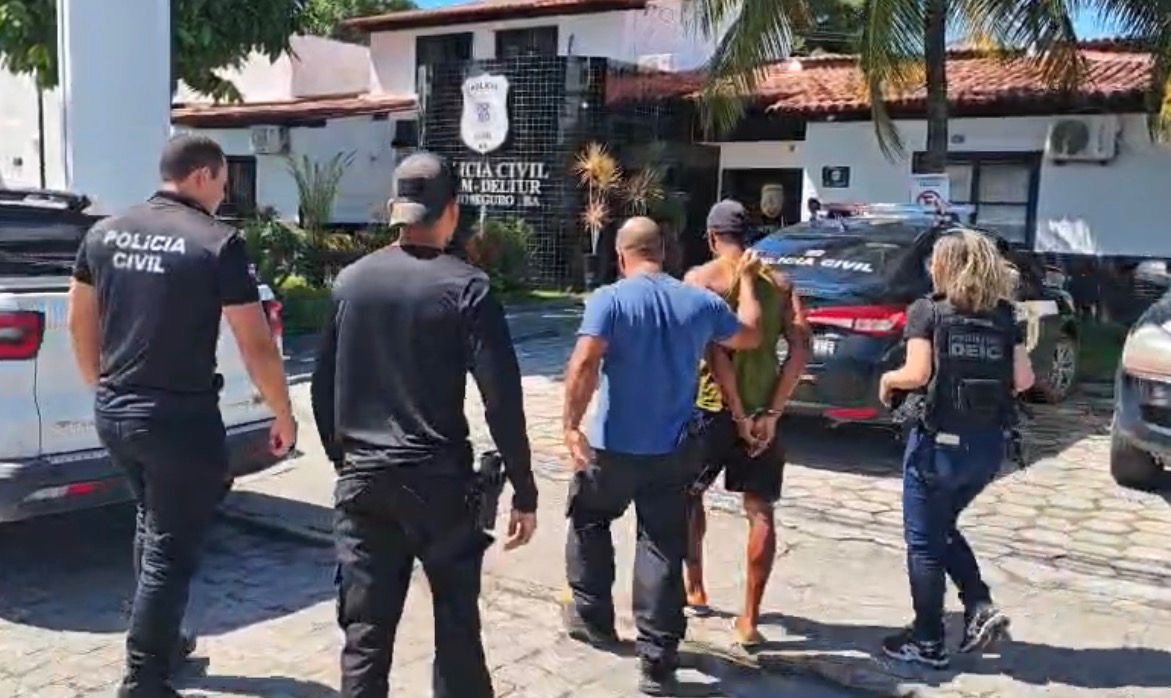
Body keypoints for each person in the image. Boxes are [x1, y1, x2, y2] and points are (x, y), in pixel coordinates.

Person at [67, 134, 296, 698]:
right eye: (222, 183)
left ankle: (163, 644)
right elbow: (255, 343)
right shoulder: (217, 242)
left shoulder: (104, 233)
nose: (223, 195)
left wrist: (101, 385)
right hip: (178, 419)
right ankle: (144, 677)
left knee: (152, 522)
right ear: (201, 176)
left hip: (117, 410)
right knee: (170, 548)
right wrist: (282, 411)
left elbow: (79, 320)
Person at [311, 151, 538, 698]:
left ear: (396, 210)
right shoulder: (468, 287)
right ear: (451, 211)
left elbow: (322, 389)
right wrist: (524, 489)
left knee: (365, 637)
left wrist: (345, 460)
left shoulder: (351, 283)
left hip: (365, 480)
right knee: (457, 627)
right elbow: (501, 400)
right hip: (439, 484)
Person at [560, 216, 763, 696]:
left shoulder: (609, 300)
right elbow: (750, 335)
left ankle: (593, 618)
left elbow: (585, 362)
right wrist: (750, 282)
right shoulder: (700, 302)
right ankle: (657, 661)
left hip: (611, 446)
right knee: (661, 545)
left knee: (589, 518)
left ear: (620, 256)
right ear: (665, 253)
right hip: (673, 450)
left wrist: (570, 426)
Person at [878, 229, 1035, 669]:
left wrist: (888, 380)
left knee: (924, 543)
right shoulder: (1005, 316)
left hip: (937, 446)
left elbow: (916, 372)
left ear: (945, 265)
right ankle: (979, 604)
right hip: (987, 448)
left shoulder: (928, 311)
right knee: (941, 527)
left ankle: (928, 641)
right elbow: (1023, 380)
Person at [682, 199, 811, 647]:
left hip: (711, 408)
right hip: (762, 415)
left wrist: (737, 414)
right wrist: (772, 413)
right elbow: (800, 350)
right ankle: (749, 620)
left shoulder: (701, 280)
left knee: (688, 495)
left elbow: (712, 351)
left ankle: (695, 588)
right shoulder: (781, 283)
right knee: (760, 510)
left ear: (711, 237)